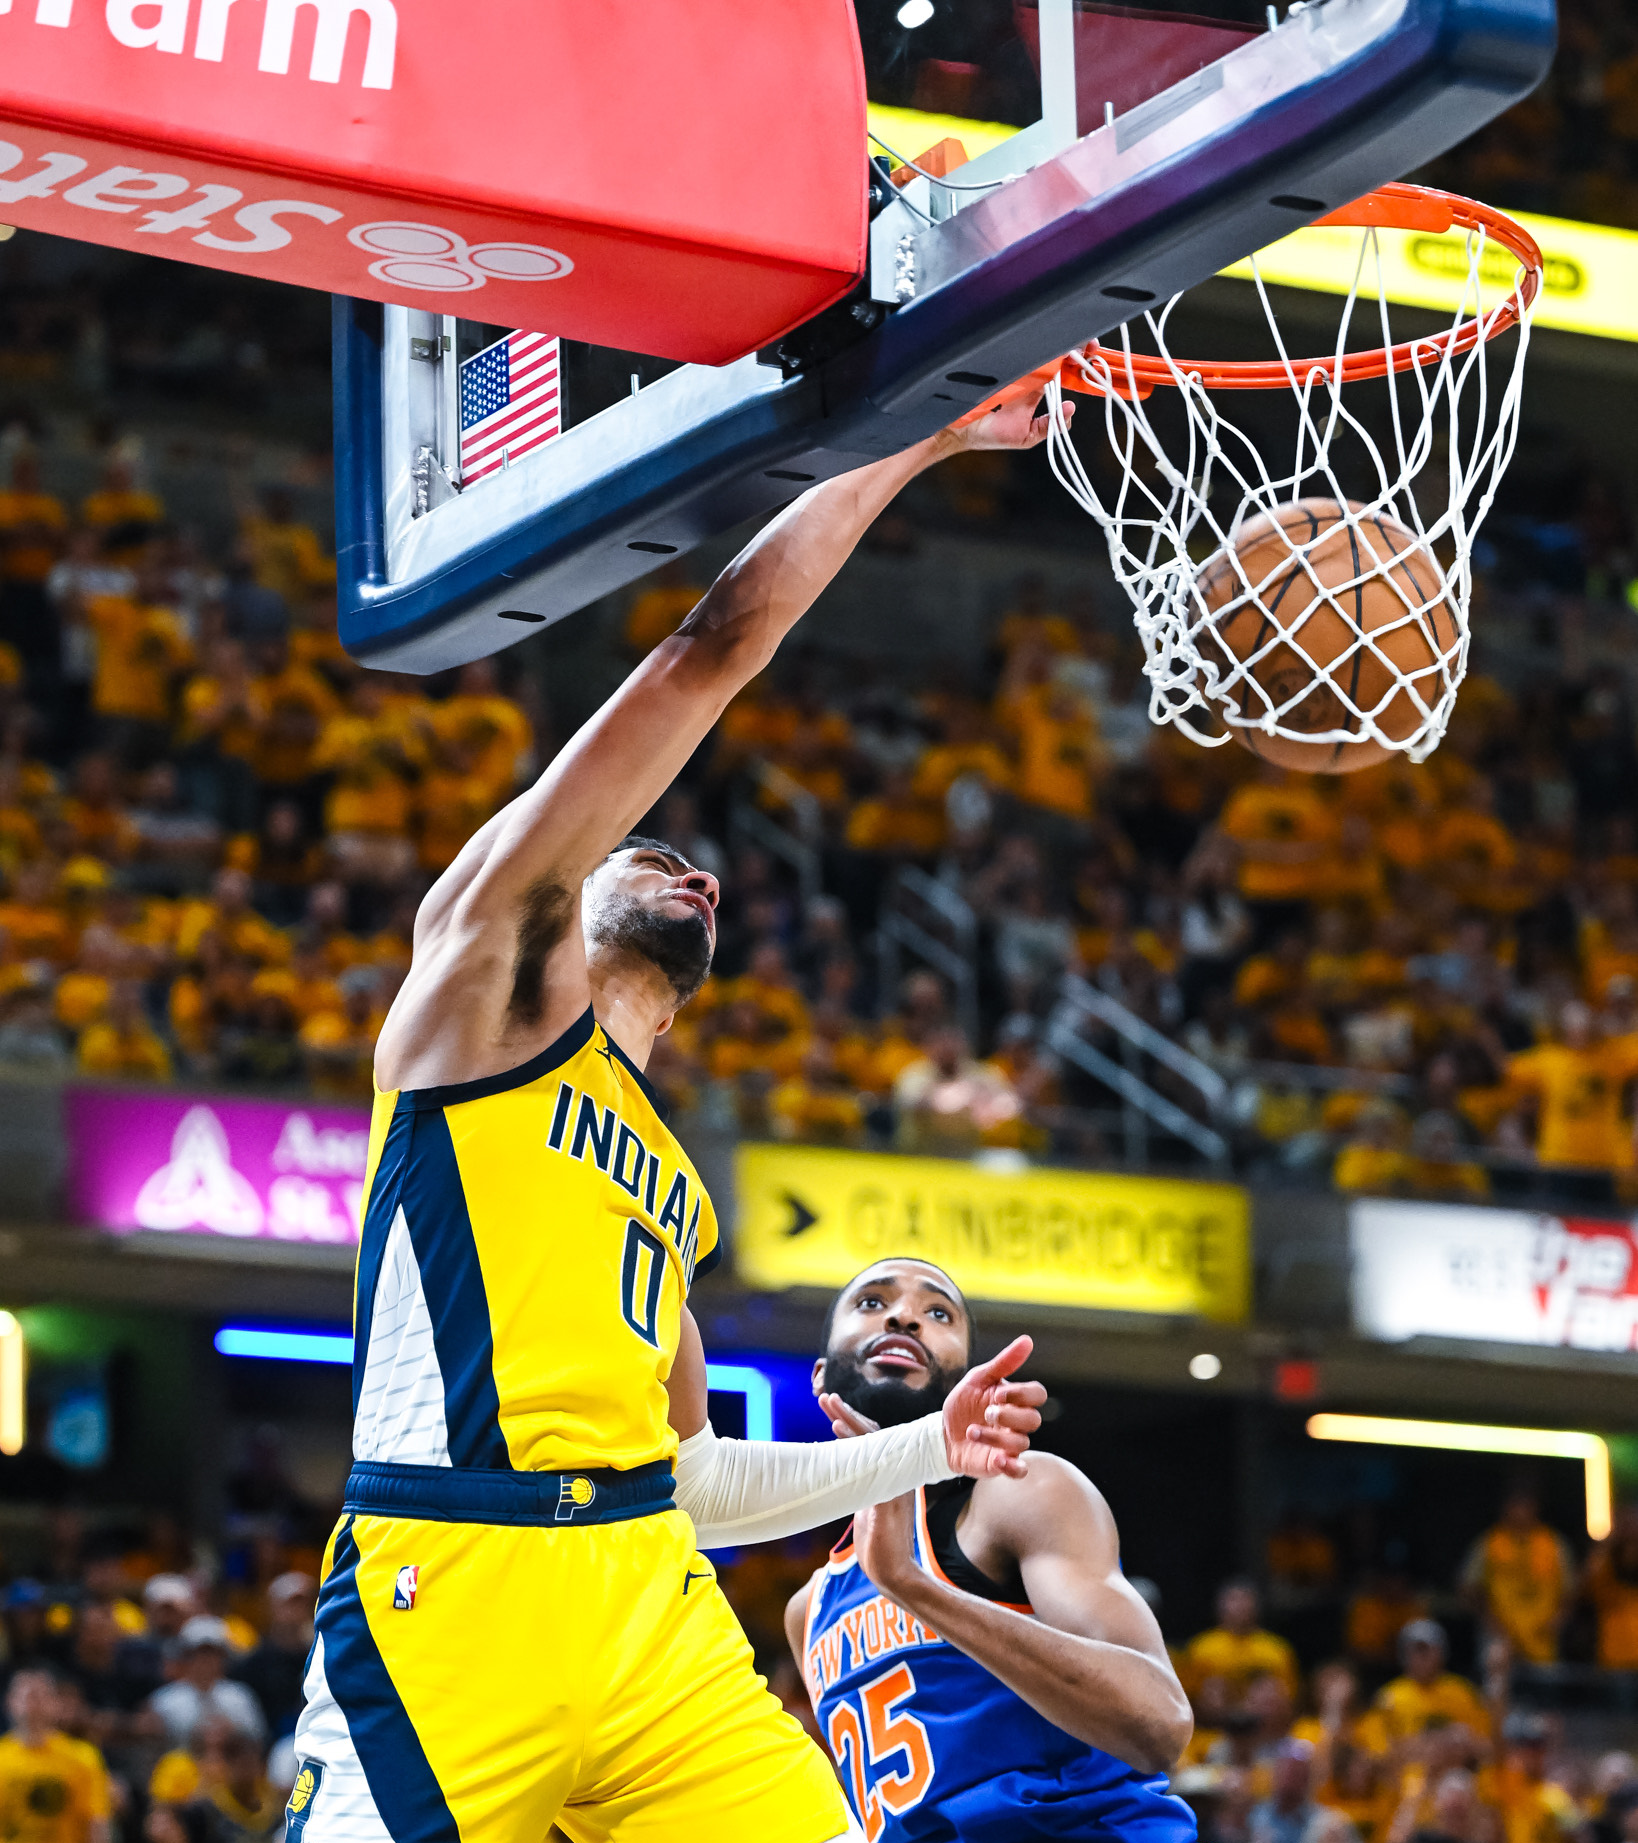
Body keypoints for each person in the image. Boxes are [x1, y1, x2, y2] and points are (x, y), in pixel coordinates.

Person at [292, 399, 1066, 1843]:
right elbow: (708, 649)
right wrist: (915, 438)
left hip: (649, 1594)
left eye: (696, 869)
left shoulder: (669, 1181)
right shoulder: (481, 988)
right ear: (565, 889)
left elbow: (694, 1477)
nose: (689, 868)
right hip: (460, 1571)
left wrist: (931, 1446)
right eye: (642, 853)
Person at [785, 1258, 1195, 1843]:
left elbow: (1159, 1725)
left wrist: (911, 1585)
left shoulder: (1022, 1492)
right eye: (873, 1302)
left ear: (965, 1380)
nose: (905, 1316)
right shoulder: (806, 1612)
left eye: (937, 1313)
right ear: (821, 1375)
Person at [1459, 1490, 1574, 1664]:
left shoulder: (1552, 1543)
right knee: (1497, 1677)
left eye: (1526, 1505)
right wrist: (1488, 1620)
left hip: (1541, 1640)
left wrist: (1559, 1619)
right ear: (1506, 1508)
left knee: (1542, 1680)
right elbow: (1467, 1587)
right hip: (1499, 1638)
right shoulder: (1491, 1542)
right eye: (1516, 1505)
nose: (1521, 1511)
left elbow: (1571, 1589)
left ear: (1536, 1508)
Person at [0, 1668, 112, 1843]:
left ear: (55, 1703)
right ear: (9, 1702)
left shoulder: (82, 1756)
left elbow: (96, 1821)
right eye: (28, 1696)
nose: (34, 1704)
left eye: (41, 1696)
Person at [147, 1619, 266, 1750]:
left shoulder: (240, 1697)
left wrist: (234, 1733)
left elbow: (258, 1743)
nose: (205, 1661)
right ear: (186, 1657)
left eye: (212, 1654)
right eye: (199, 1654)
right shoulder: (165, 1701)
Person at [1370, 1620, 1493, 1745]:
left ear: (1441, 1652)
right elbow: (1380, 1749)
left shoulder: (1462, 1691)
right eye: (1415, 1651)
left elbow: (1484, 1741)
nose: (1421, 1657)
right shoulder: (1389, 1697)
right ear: (1403, 1655)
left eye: (1426, 1650)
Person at [1184, 1582, 1301, 1705]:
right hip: (1215, 1713)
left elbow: (1291, 1696)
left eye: (1245, 1600)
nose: (1240, 1606)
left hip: (1262, 1713)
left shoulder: (1276, 1649)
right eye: (1234, 1600)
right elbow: (1190, 1695)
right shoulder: (1201, 1648)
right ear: (1220, 1606)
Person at [1250, 1739, 1357, 1843]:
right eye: (1285, 1771)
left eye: (1296, 1773)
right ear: (1274, 1775)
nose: (1289, 1779)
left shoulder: (1330, 1825)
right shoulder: (1254, 1818)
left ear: (1309, 1778)